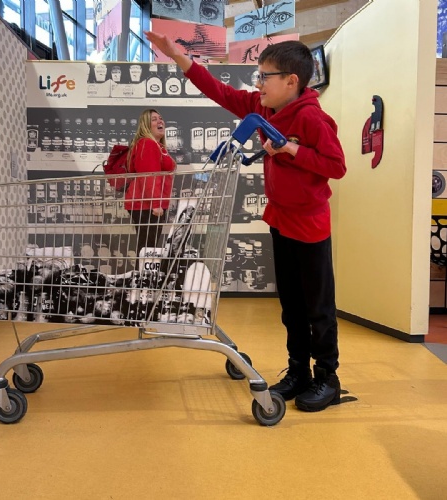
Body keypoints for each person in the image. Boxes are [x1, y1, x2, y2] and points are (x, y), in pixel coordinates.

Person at [145, 31, 347, 412]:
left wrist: (291, 149)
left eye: (265, 76)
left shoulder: (312, 118)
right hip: (280, 220)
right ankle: (298, 371)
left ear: (292, 81)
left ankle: (328, 378)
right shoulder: (262, 107)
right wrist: (179, 57)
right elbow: (220, 92)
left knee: (317, 306)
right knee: (291, 305)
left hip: (310, 226)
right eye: (259, 76)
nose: (258, 84)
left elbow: (336, 166)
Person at [124, 109, 176, 256]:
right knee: (147, 249)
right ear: (146, 126)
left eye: (160, 118)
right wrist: (156, 203)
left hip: (147, 204)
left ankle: (142, 271)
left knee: (147, 248)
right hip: (147, 205)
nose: (160, 121)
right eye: (154, 119)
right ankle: (142, 271)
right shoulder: (147, 144)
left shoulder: (157, 146)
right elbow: (149, 175)